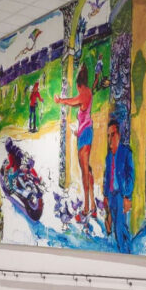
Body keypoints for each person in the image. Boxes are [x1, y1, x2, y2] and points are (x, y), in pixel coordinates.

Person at [54, 65, 95, 219]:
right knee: (88, 169)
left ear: (79, 84)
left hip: (84, 135)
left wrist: (60, 100)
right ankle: (93, 205)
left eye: (77, 87)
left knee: (84, 171)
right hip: (86, 131)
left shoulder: (83, 94)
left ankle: (86, 208)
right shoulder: (89, 92)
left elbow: (73, 101)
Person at [103, 120, 134, 254]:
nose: (110, 139)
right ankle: (123, 252)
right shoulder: (108, 157)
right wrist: (105, 196)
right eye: (108, 136)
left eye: (113, 134)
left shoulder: (126, 152)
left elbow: (130, 175)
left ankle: (126, 253)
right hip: (111, 196)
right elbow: (107, 177)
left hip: (121, 195)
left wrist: (127, 196)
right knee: (115, 228)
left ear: (119, 135)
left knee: (121, 227)